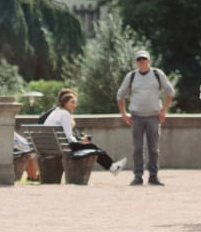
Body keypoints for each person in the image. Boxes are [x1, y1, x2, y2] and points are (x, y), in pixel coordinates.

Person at [117, 49, 175, 186]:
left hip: (154, 116)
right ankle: (138, 176)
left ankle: (153, 176)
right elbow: (120, 95)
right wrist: (124, 114)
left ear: (149, 60)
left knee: (154, 148)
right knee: (137, 148)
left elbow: (170, 92)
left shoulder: (157, 74)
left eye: (144, 59)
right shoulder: (131, 76)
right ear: (136, 62)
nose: (142, 62)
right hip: (136, 117)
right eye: (139, 60)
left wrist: (163, 111)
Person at [43, 88, 126, 174]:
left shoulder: (55, 112)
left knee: (90, 146)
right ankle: (113, 167)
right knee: (92, 147)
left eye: (75, 102)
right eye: (72, 102)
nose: (74, 105)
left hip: (50, 146)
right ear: (64, 103)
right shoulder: (65, 114)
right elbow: (68, 137)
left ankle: (113, 167)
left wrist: (78, 141)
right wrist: (80, 141)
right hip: (62, 147)